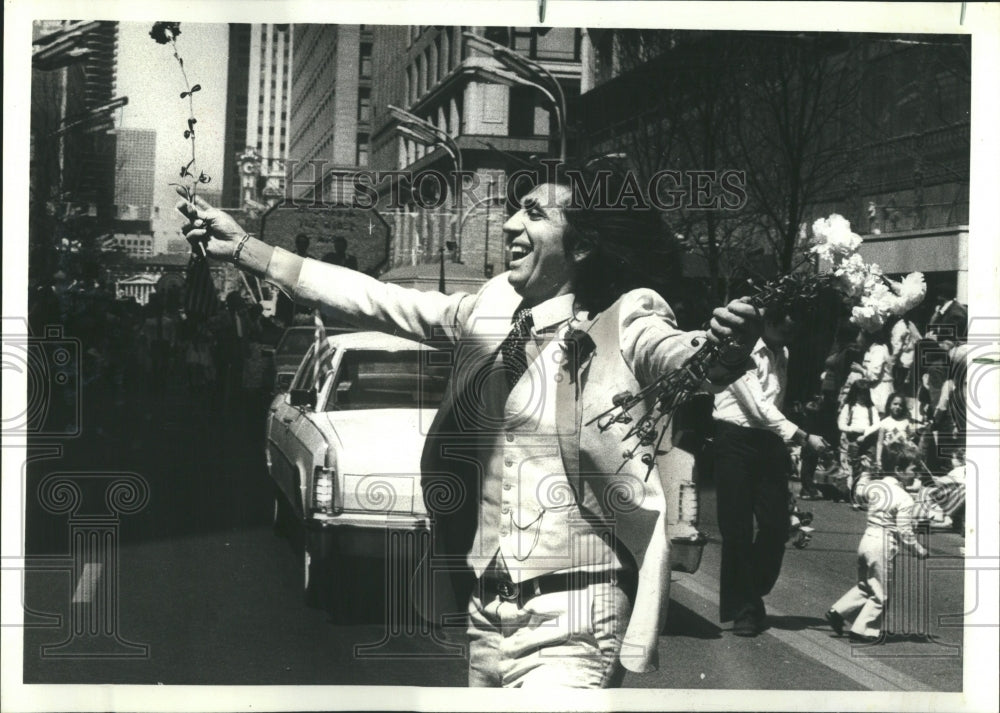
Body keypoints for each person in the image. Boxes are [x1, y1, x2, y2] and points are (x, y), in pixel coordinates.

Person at [176, 171, 763, 688]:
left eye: (534, 213)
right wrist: (247, 250)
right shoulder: (488, 310)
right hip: (486, 618)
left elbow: (681, 357)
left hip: (576, 617)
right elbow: (375, 300)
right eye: (515, 209)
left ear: (582, 247)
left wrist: (723, 347)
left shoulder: (625, 317)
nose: (510, 223)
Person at [711, 307, 830, 636]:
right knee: (736, 530)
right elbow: (757, 407)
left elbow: (775, 406)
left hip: (768, 443)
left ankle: (750, 588)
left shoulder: (784, 352)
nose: (794, 328)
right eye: (790, 320)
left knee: (776, 525)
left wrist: (788, 443)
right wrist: (803, 437)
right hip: (734, 440)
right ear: (770, 319)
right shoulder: (739, 349)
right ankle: (746, 610)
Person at [825, 441, 930, 643]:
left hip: (866, 540)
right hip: (883, 544)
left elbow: (858, 492)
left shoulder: (876, 486)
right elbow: (904, 531)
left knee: (865, 585)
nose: (916, 475)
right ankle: (863, 629)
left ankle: (838, 611)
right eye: (913, 470)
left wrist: (865, 472)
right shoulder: (905, 498)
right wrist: (918, 549)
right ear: (899, 470)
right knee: (881, 592)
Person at [837, 380, 879, 494]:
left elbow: (876, 424)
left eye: (864, 394)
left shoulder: (871, 408)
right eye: (859, 393)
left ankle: (861, 490)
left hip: (867, 439)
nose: (862, 397)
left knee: (867, 465)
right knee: (852, 464)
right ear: (854, 393)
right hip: (852, 438)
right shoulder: (849, 407)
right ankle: (849, 490)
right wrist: (852, 429)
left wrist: (865, 433)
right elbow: (841, 424)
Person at [867, 392, 919, 473]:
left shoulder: (905, 421)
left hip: (904, 454)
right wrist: (878, 460)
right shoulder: (884, 422)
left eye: (900, 405)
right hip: (890, 455)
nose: (898, 407)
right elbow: (880, 443)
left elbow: (909, 439)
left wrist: (913, 447)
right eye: (895, 404)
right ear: (889, 405)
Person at [852, 329, 893, 415]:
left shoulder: (878, 350)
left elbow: (874, 376)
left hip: (880, 392)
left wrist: (860, 369)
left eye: (859, 335)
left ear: (865, 338)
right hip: (873, 391)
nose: (857, 339)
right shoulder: (870, 351)